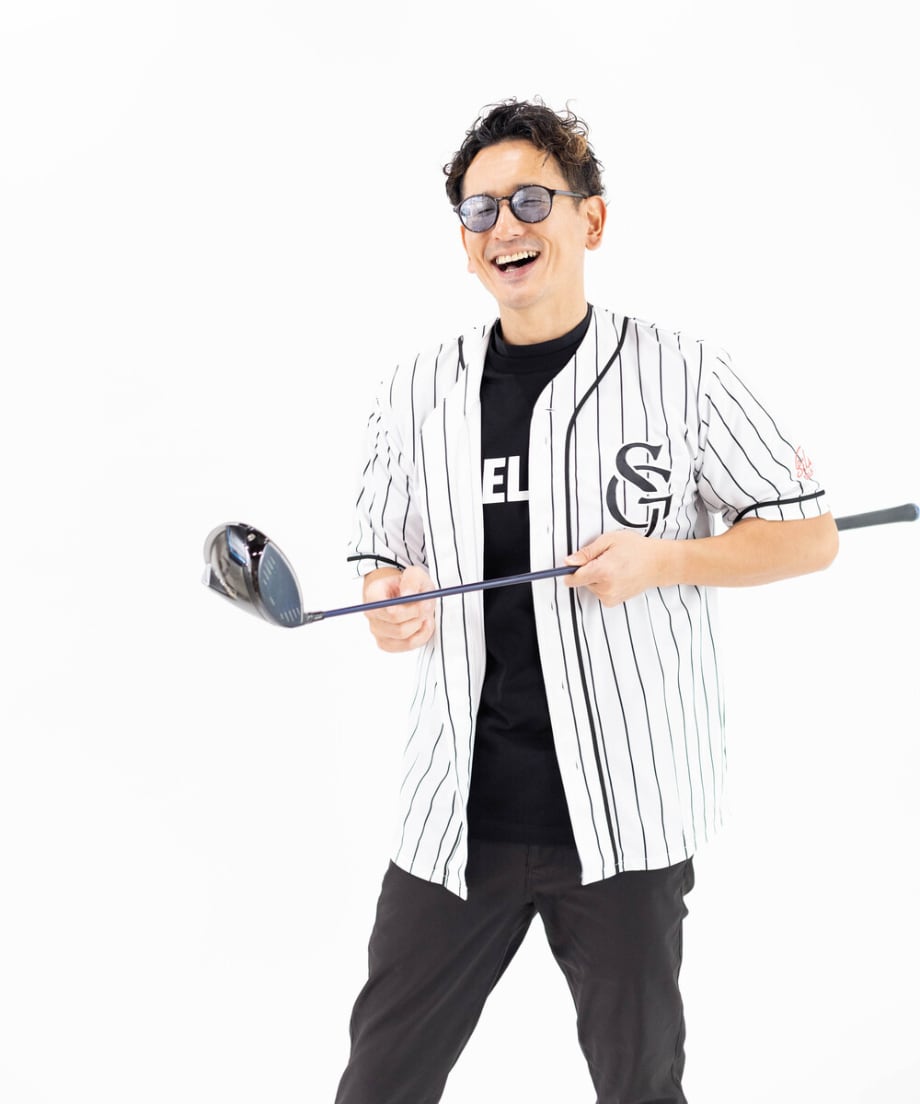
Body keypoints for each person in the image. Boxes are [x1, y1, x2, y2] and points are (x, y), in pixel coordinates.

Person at [337, 98, 839, 1104]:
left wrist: (665, 561)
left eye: (530, 200)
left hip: (626, 816)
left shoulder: (684, 372)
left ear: (590, 220)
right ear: (464, 241)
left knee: (639, 1086)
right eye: (479, 210)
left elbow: (808, 535)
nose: (504, 227)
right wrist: (389, 602)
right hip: (456, 818)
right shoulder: (413, 391)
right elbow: (384, 565)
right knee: (380, 1084)